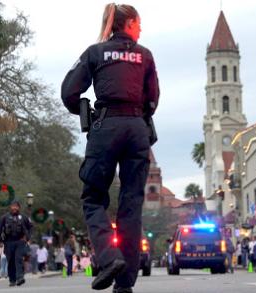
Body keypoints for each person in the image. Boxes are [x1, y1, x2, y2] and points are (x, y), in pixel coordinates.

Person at [60, 3, 159, 293]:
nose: (141, 28)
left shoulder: (95, 52)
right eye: (139, 23)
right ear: (127, 24)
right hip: (137, 130)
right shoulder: (145, 55)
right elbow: (153, 98)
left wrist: (84, 111)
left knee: (93, 197)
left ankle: (108, 256)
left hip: (106, 127)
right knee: (131, 207)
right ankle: (124, 284)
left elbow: (69, 91)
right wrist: (139, 116)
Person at [0, 201, 33, 287]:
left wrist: (27, 238)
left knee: (19, 259)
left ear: (19, 208)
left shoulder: (24, 217)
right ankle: (12, 279)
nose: (14, 208)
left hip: (20, 241)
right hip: (8, 242)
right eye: (13, 206)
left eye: (16, 206)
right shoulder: (4, 217)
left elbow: (30, 227)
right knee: (11, 261)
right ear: (10, 207)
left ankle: (20, 278)